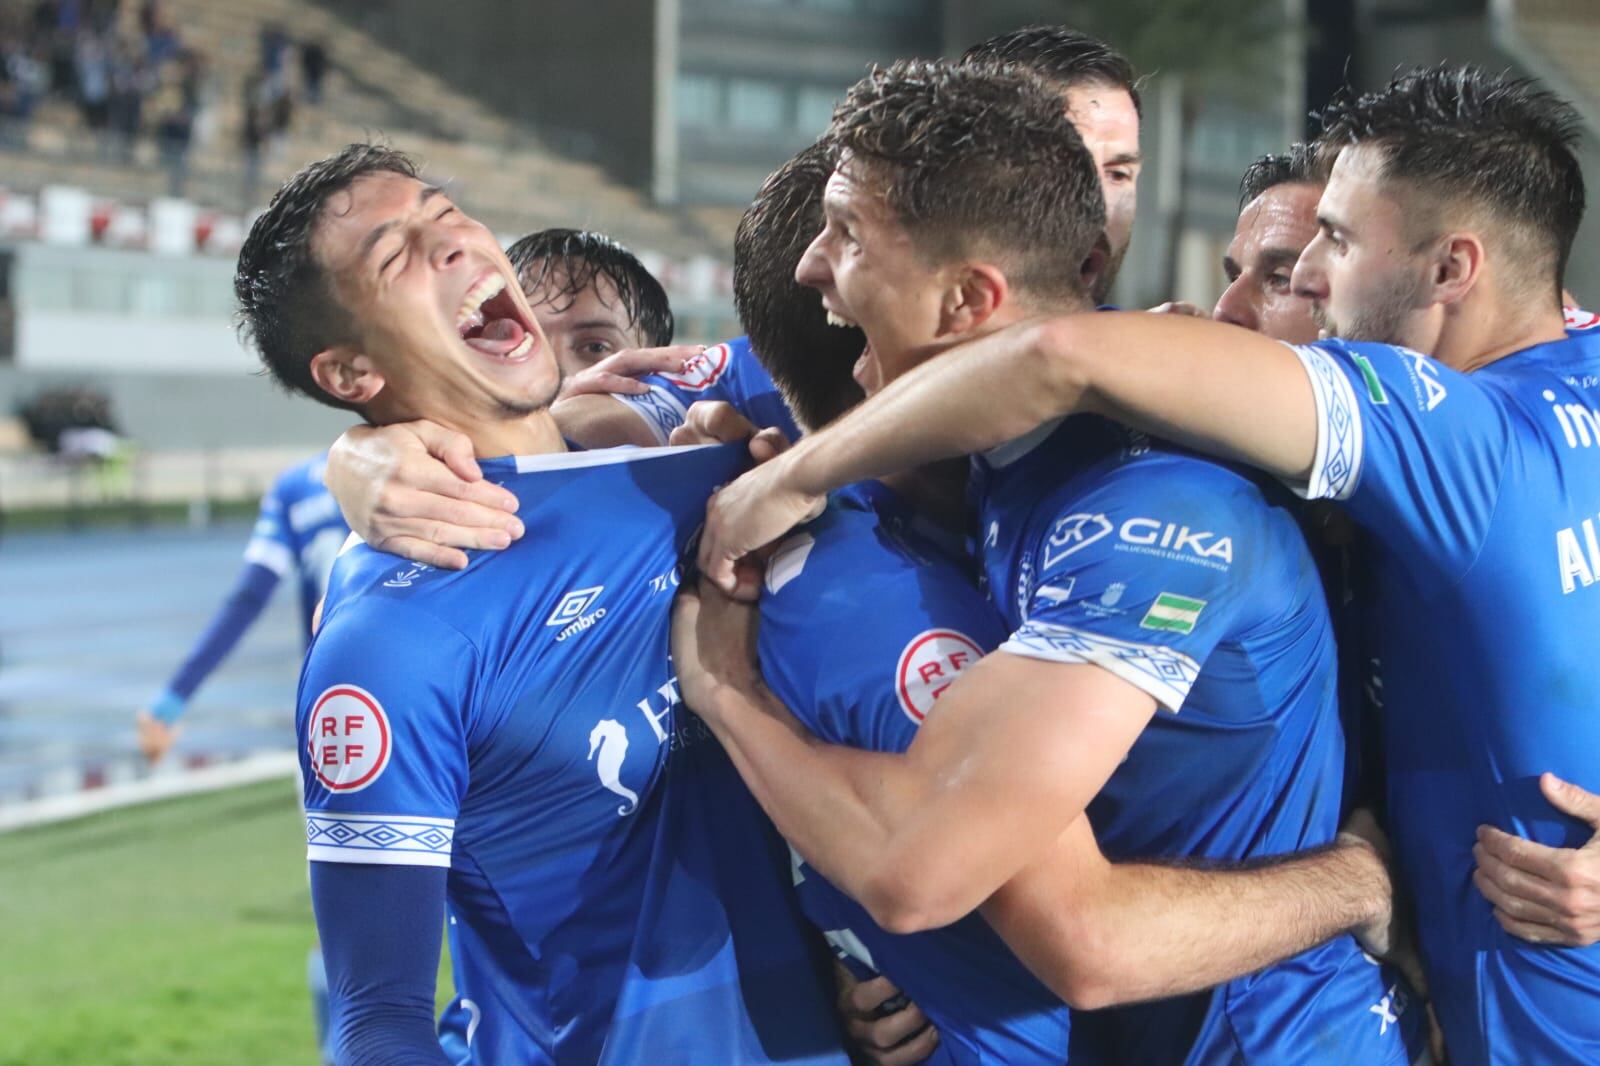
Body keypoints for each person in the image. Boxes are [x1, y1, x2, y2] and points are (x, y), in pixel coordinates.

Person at [698, 64, 1600, 1064]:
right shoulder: (1552, 395)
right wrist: (691, 407)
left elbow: (978, 892)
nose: (1304, 279)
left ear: (1450, 270)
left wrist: (723, 677)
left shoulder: (1218, 492)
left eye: (1331, 243)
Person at [235, 143, 845, 1064]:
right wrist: (352, 460)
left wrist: (885, 950)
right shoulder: (391, 642)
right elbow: (378, 1021)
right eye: (396, 256)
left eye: (446, 214)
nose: (451, 245)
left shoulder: (696, 428)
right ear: (352, 375)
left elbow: (974, 350)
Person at [136, 450, 345, 764]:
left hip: (331, 705)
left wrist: (170, 703)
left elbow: (248, 598)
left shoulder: (295, 486)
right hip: (418, 691)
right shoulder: (417, 464)